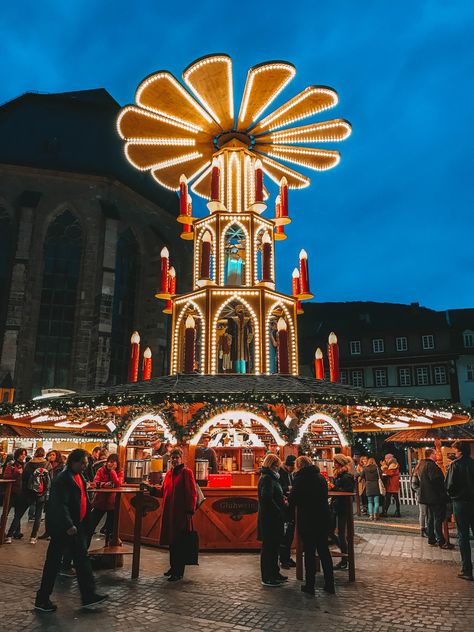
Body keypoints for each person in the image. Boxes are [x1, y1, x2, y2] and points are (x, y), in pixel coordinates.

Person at [35, 449, 108, 612]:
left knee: (82, 561)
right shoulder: (63, 479)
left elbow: (83, 499)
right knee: (53, 563)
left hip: (77, 527)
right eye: (82, 463)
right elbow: (59, 505)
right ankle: (42, 598)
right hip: (64, 529)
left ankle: (89, 595)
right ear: (73, 462)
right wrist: (68, 525)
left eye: (86, 463)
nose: (85, 466)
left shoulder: (79, 477)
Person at [289, 456, 335, 596]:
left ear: (298, 465)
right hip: (323, 517)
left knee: (309, 552)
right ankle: (330, 584)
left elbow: (293, 499)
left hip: (308, 519)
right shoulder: (320, 477)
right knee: (324, 551)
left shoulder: (300, 479)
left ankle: (310, 585)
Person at [150, 447, 197, 582]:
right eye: (173, 457)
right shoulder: (170, 474)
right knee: (172, 542)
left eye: (177, 457)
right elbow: (164, 491)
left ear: (181, 459)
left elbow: (191, 493)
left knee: (179, 542)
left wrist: (189, 511)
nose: (175, 460)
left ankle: (178, 571)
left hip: (181, 514)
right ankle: (173, 567)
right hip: (169, 513)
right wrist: (152, 490)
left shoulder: (186, 473)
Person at [445, 441, 474, 580]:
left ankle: (467, 569)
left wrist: (452, 496)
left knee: (463, 536)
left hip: (461, 503)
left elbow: (449, 486)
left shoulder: (455, 465)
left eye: (455, 450)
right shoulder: (473, 464)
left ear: (459, 451)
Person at [257, 453, 287, 587]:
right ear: (272, 465)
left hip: (272, 518)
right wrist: (279, 510)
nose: (278, 468)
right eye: (277, 466)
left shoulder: (271, 478)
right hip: (270, 519)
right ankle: (267, 577)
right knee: (269, 547)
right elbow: (266, 498)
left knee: (274, 547)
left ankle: (275, 573)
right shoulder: (268, 479)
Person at [413, 448, 449, 548]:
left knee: (431, 518)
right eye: (436, 453)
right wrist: (442, 492)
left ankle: (431, 539)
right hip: (435, 497)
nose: (437, 455)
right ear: (431, 454)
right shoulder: (432, 466)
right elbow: (436, 480)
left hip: (427, 497)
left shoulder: (422, 465)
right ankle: (441, 540)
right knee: (437, 519)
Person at [88, 454, 124, 546]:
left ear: (117, 463)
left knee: (110, 529)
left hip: (112, 504)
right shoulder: (101, 470)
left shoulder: (120, 472)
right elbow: (95, 483)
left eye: (112, 462)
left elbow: (118, 483)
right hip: (100, 502)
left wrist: (112, 472)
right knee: (90, 526)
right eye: (108, 461)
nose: (109, 463)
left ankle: (107, 549)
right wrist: (104, 484)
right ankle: (84, 548)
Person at [329, 454, 355, 570]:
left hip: (342, 507)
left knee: (341, 533)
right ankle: (345, 553)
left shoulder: (346, 477)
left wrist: (333, 487)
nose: (333, 465)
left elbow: (347, 492)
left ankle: (345, 558)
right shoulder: (339, 475)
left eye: (335, 463)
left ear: (339, 464)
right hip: (335, 505)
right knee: (329, 530)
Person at [23, 447, 50, 544]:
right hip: (41, 492)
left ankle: (9, 535)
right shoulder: (47, 464)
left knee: (20, 513)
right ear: (44, 454)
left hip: (30, 491)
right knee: (38, 515)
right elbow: (49, 479)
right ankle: (33, 537)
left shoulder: (29, 464)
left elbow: (24, 477)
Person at [38, 450, 65, 541]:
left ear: (57, 456)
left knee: (56, 513)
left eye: (53, 455)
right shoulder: (47, 465)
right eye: (50, 455)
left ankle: (54, 532)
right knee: (48, 513)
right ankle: (47, 532)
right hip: (48, 491)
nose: (51, 456)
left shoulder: (61, 467)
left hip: (57, 492)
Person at [4, 448, 28, 542]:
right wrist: (17, 473)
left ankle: (16, 532)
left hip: (21, 493)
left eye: (24, 454)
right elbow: (6, 476)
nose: (23, 456)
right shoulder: (12, 464)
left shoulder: (26, 465)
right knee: (6, 513)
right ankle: (3, 532)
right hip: (12, 491)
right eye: (22, 454)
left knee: (17, 514)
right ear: (17, 455)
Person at [278, 454, 297, 569]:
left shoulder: (291, 474)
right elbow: (281, 488)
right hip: (284, 507)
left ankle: (287, 557)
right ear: (286, 465)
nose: (292, 469)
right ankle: (284, 559)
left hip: (290, 506)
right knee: (285, 535)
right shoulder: (281, 474)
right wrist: (289, 488)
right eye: (291, 467)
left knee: (289, 534)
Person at [411, 460, 428, 537]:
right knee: (423, 512)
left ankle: (426, 528)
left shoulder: (420, 472)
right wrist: (420, 490)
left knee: (425, 512)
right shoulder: (417, 473)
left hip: (425, 494)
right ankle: (423, 528)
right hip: (421, 495)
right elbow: (414, 485)